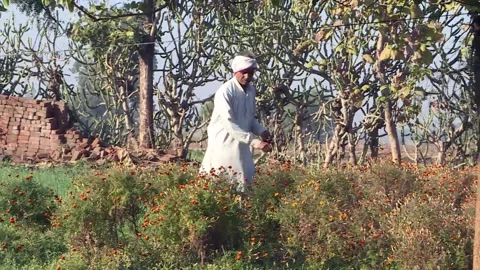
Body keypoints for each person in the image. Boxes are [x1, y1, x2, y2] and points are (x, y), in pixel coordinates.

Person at [200, 51, 272, 191]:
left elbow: (249, 119)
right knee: (219, 184)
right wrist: (255, 142)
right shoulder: (225, 91)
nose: (247, 76)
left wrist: (262, 131)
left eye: (251, 73)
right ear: (236, 71)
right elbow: (230, 124)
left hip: (242, 146)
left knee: (245, 185)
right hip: (224, 144)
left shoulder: (250, 91)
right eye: (244, 72)